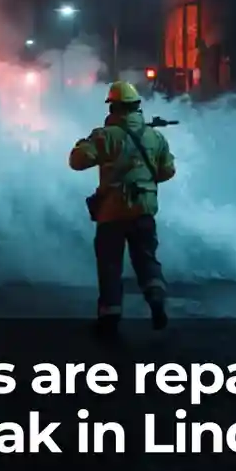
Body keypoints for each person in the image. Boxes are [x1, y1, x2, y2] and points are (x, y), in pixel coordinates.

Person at [69, 80, 176, 336]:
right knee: (146, 259)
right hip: (144, 209)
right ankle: (156, 298)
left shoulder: (105, 136)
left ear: (113, 107)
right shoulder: (155, 136)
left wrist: (87, 141)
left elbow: (77, 161)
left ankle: (110, 316)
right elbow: (167, 171)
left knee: (110, 264)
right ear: (137, 106)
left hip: (112, 211)